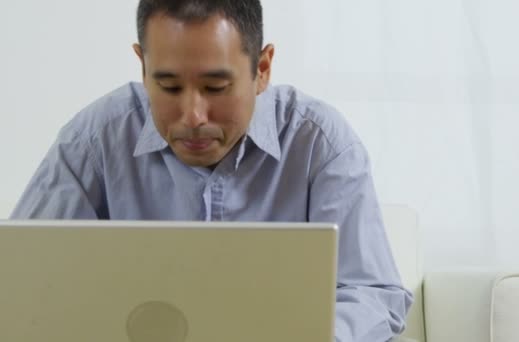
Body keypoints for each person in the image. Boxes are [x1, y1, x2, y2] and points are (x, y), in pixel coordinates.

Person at [11, 0, 413, 340]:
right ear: (142, 66)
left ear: (263, 68)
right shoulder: (94, 140)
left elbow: (373, 293)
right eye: (168, 86)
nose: (193, 116)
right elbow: (21, 283)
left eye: (216, 88)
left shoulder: (320, 143)